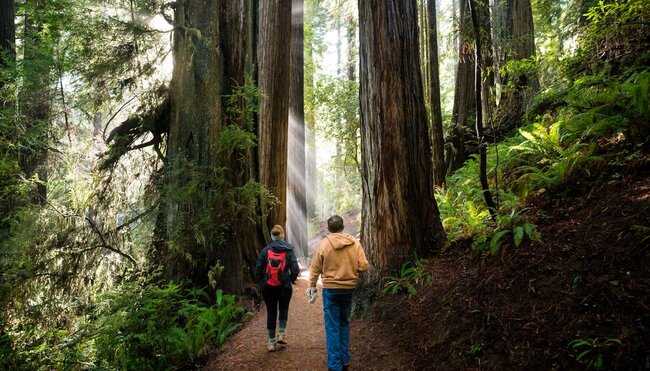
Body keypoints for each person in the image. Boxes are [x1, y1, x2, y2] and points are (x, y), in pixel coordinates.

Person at [308, 215, 369, 371]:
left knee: (332, 327)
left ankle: (334, 366)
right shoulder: (354, 243)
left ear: (329, 229)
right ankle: (344, 361)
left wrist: (312, 285)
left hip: (330, 290)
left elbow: (315, 268)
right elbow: (363, 267)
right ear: (343, 227)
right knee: (344, 323)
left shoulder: (323, 245)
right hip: (348, 289)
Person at [255, 225, 300, 352]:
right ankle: (281, 334)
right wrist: (289, 280)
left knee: (271, 312)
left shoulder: (266, 251)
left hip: (268, 287)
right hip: (284, 286)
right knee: (283, 309)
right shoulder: (289, 250)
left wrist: (263, 280)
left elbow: (257, 270)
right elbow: (295, 270)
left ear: (272, 236)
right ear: (282, 235)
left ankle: (271, 343)